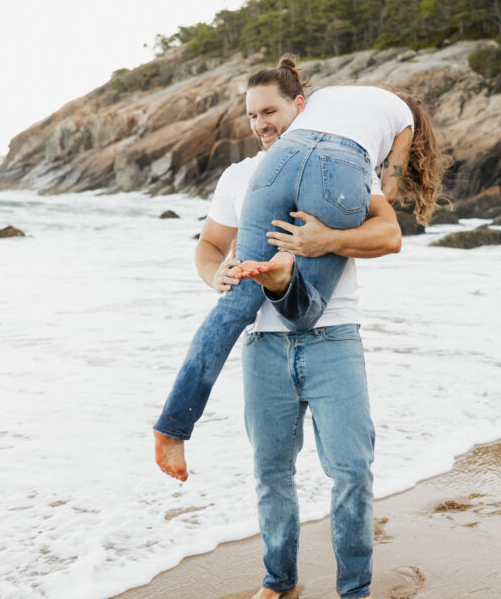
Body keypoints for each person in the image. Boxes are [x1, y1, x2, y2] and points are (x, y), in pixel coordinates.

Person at [154, 57, 445, 599]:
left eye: (270, 111)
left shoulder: (350, 167)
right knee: (271, 476)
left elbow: (389, 236)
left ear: (301, 108)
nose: (261, 123)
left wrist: (327, 241)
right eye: (251, 115)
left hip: (334, 341)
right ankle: (278, 583)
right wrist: (213, 273)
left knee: (352, 474)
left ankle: (353, 590)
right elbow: (210, 246)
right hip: (263, 347)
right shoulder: (240, 176)